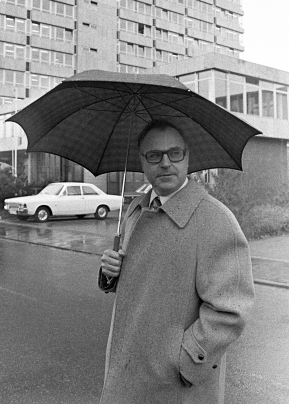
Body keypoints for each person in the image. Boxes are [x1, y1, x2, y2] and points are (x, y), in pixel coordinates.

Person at [98, 119, 255, 404]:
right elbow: (142, 282)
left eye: (175, 153)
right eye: (154, 155)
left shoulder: (216, 221)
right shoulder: (136, 209)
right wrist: (110, 273)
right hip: (127, 372)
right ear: (142, 161)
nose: (166, 163)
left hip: (173, 387)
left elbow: (230, 311)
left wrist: (184, 361)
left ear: (187, 157)